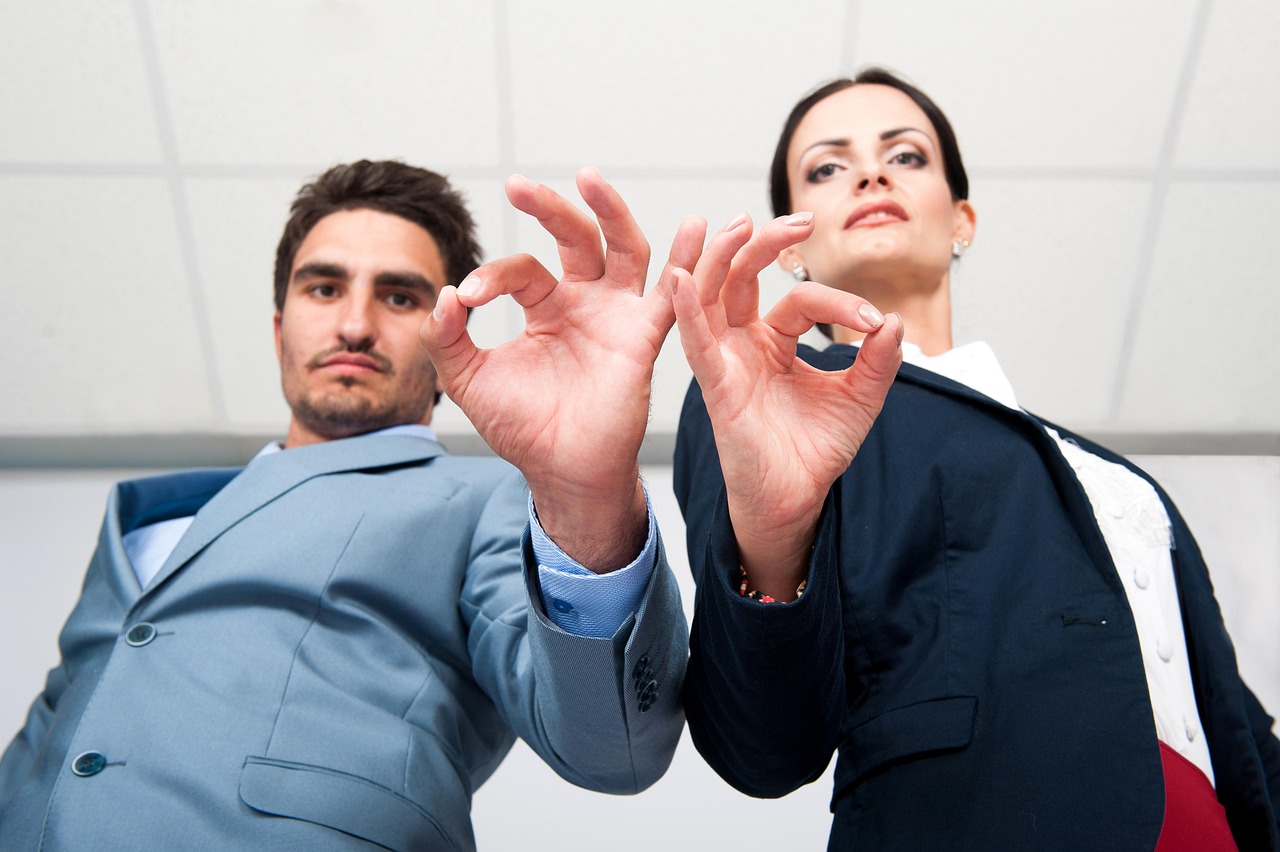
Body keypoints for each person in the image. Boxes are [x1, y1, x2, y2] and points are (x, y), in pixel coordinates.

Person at [0, 160, 695, 851]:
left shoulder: (488, 499)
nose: (355, 325)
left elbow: (614, 747)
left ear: (448, 341)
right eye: (325, 288)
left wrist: (585, 498)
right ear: (280, 330)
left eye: (399, 297)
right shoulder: (144, 521)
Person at [670, 69, 1279, 850]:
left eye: (906, 155)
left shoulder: (1111, 475)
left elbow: (1236, 723)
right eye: (827, 168)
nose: (871, 174)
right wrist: (773, 533)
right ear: (794, 250)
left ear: (962, 219)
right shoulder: (760, 404)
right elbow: (762, 748)